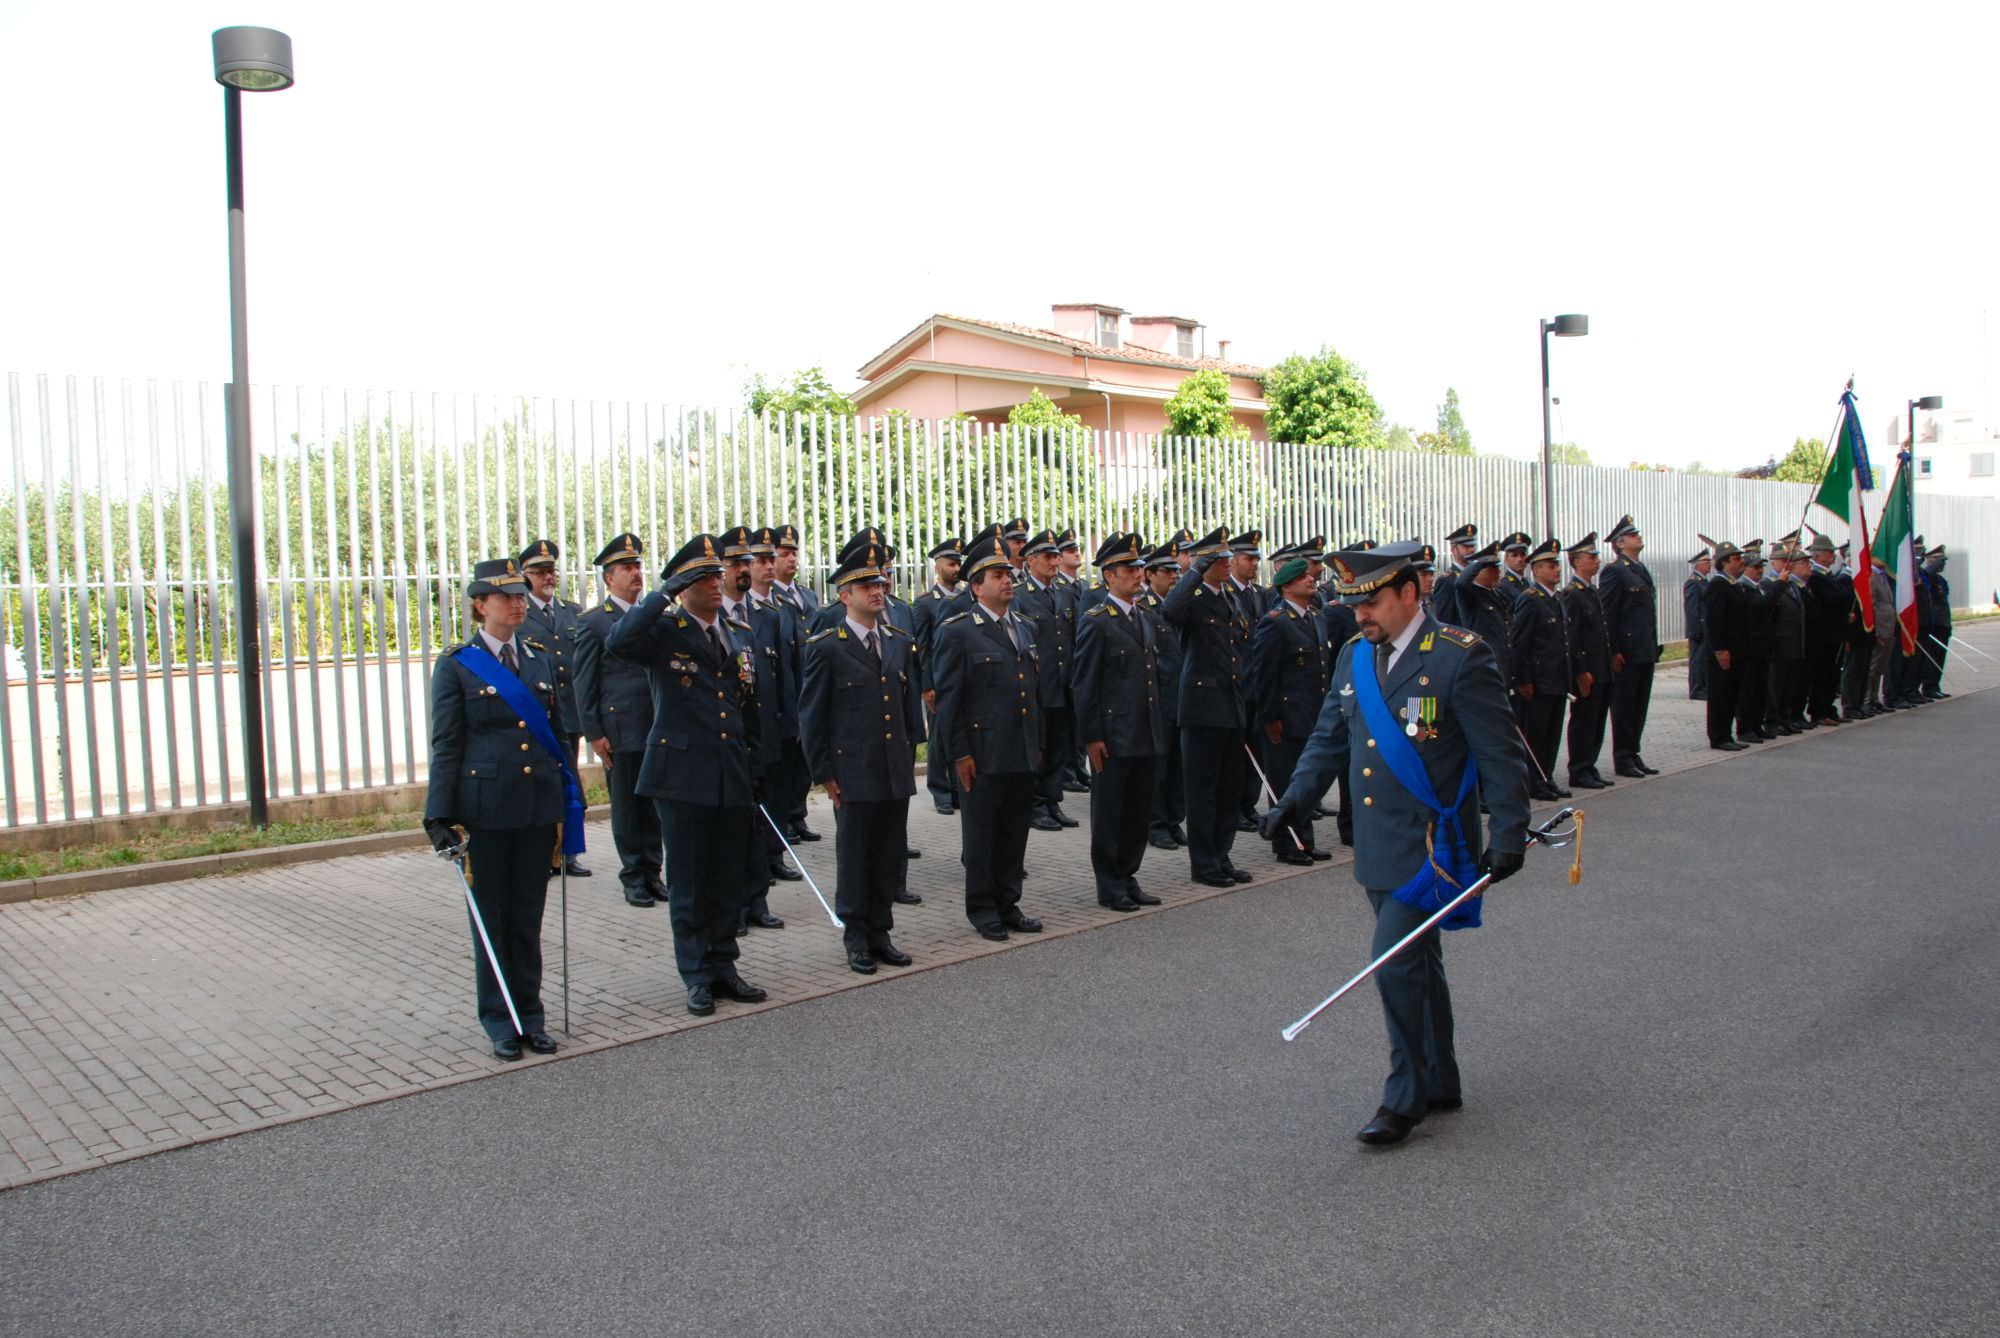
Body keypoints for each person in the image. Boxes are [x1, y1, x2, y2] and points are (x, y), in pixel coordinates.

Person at [1260, 540, 1530, 1147]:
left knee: (1393, 962)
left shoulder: (1461, 656)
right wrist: (1293, 801)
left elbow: (1500, 752)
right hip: (1379, 845)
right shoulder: (1356, 656)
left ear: (1411, 593)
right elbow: (1329, 737)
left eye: (1373, 602)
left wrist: (1510, 830)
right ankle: (1441, 1078)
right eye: (1354, 604)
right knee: (1417, 959)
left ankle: (1403, 1096)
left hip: (1435, 844)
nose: (1361, 615)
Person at [607, 533, 770, 1018]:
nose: (717, 583)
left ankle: (724, 966)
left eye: (717, 574)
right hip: (682, 776)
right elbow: (620, 641)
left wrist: (756, 765)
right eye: (704, 577)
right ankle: (697, 974)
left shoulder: (736, 632)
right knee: (689, 881)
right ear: (684, 585)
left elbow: (749, 707)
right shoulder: (665, 631)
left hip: (730, 773)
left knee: (725, 878)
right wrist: (662, 594)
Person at [424, 557, 568, 1061]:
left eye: (520, 594)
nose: (516, 602)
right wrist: (438, 815)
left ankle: (530, 1014)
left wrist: (565, 796)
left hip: (533, 808)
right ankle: (499, 1019)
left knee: (527, 918)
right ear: (480, 605)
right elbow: (447, 743)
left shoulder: (537, 658)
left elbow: (555, 737)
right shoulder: (458, 664)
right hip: (485, 809)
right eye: (505, 596)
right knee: (492, 919)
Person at [798, 543, 925, 975]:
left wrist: (911, 754)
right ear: (843, 595)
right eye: (865, 584)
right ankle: (855, 936)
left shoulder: (897, 641)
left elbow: (908, 708)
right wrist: (823, 773)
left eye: (879, 582)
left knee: (888, 853)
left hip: (892, 766)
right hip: (852, 769)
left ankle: (881, 931)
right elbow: (813, 715)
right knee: (855, 855)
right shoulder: (826, 647)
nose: (877, 588)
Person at [930, 532, 1045, 942]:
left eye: (1010, 574)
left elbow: (1032, 693)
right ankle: (982, 909)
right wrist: (959, 754)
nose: (1008, 581)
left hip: (1020, 750)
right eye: (998, 575)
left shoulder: (1025, 627)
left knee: (1014, 833)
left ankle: (1008, 903)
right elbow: (950, 701)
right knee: (982, 837)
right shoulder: (958, 631)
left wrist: (1038, 744)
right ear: (976, 586)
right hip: (983, 753)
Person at [1071, 533, 1169, 911]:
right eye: (1129, 569)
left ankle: (1129, 874)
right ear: (1109, 576)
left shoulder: (1143, 617)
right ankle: (1109, 884)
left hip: (1144, 731)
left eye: (1140, 568)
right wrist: (1091, 736)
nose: (1138, 575)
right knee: (1111, 812)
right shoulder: (1097, 621)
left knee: (1137, 811)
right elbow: (1085, 682)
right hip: (1113, 735)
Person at [572, 533, 666, 909]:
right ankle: (634, 876)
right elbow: (584, 682)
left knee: (654, 803)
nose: (636, 574)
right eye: (627, 568)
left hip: (657, 725)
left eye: (638, 566)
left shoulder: (655, 617)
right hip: (621, 728)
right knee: (628, 806)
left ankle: (654, 872)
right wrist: (594, 732)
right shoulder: (595, 622)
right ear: (609, 578)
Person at [1163, 527, 1254, 888]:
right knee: (1201, 792)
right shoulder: (1194, 596)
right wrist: (1194, 572)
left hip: (1231, 705)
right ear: (1206, 563)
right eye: (1221, 558)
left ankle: (1221, 855)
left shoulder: (1229, 596)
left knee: (1228, 789)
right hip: (1201, 709)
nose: (1228, 562)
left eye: (1229, 557)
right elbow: (1170, 610)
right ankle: (1204, 864)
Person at [721, 526, 795, 930]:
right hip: (728, 741)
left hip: (765, 732)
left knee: (766, 816)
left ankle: (758, 898)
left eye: (746, 562)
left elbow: (782, 673)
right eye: (735, 563)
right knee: (735, 827)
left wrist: (790, 723)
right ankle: (733, 907)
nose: (743, 569)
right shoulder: (713, 619)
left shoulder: (768, 614)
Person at [1252, 553, 1335, 864]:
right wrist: (1270, 718)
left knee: (1305, 781)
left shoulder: (1315, 617)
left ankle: (1305, 840)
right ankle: (1287, 844)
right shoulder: (1274, 623)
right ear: (1287, 586)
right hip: (1286, 718)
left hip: (1312, 713)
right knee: (1285, 780)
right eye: (1303, 578)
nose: (1311, 579)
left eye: (1310, 577)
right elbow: (1264, 676)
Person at [519, 539, 592, 878]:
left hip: (570, 711)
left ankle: (568, 851)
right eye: (540, 572)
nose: (548, 578)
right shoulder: (519, 613)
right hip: (537, 712)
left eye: (551, 572)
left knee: (568, 778)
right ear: (526, 576)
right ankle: (543, 849)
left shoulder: (572, 611)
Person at [1015, 529, 1080, 832]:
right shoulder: (1019, 595)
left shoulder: (1064, 592)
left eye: (1056, 556)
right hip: (1037, 686)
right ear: (1030, 560)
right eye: (1048, 556)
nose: (1055, 562)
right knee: (1038, 748)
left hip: (1063, 684)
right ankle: (1034, 805)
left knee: (1059, 747)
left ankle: (1052, 800)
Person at [1509, 538, 1576, 801]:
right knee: (1535, 735)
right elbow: (1520, 644)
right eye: (1550, 566)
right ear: (1536, 571)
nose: (1557, 570)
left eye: (1557, 565)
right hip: (1538, 681)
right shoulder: (1530, 600)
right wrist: (1523, 680)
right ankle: (1533, 782)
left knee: (1552, 733)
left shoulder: (1556, 598)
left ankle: (1547, 777)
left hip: (1557, 678)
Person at [1597, 515, 1660, 778]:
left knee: (1639, 706)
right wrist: (1614, 650)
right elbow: (1608, 614)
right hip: (1627, 652)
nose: (1639, 537)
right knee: (1624, 707)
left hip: (1644, 650)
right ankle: (1623, 758)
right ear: (1620, 543)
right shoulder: (1614, 571)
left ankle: (1633, 752)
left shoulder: (1639, 569)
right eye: (1633, 535)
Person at [1137, 543, 1188, 851]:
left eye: (1176, 571)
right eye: (1167, 571)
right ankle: (1156, 824)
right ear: (1150, 574)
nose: (1173, 577)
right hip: (1156, 697)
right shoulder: (1144, 609)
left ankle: (1173, 819)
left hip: (1180, 695)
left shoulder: (1180, 607)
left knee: (1177, 766)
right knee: (1159, 766)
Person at [913, 536, 967, 815]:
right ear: (938, 566)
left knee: (959, 733)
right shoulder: (925, 603)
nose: (956, 568)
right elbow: (923, 647)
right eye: (951, 563)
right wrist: (926, 685)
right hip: (937, 679)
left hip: (959, 678)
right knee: (938, 737)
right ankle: (940, 790)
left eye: (959, 563)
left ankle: (958, 789)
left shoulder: (965, 598)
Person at [1561, 533, 1613, 791]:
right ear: (1576, 561)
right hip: (1587, 670)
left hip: (1601, 668)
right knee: (1584, 720)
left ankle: (1589, 765)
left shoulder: (1592, 591)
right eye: (1591, 557)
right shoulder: (1572, 594)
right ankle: (1579, 769)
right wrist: (1581, 671)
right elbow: (1573, 636)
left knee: (1597, 720)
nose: (1596, 561)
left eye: (1596, 557)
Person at [1702, 540, 1752, 749]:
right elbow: (1714, 621)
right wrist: (1720, 649)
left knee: (1732, 693)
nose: (1740, 562)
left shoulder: (1734, 584)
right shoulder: (1718, 585)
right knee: (1720, 694)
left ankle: (1727, 734)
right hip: (1724, 651)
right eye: (1736, 558)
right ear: (1724, 562)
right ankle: (1718, 736)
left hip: (1738, 649)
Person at [1803, 533, 1847, 726]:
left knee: (1832, 675)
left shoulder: (1828, 576)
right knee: (1822, 674)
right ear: (1819, 555)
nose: (1833, 556)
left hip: (1834, 633)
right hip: (1824, 634)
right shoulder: (1816, 577)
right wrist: (1855, 588)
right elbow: (1833, 600)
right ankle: (1818, 711)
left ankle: (1829, 708)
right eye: (1830, 553)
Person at [1733, 544, 1775, 741]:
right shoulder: (1744, 587)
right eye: (1755, 567)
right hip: (1749, 647)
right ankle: (1745, 728)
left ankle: (1757, 724)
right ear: (1744, 568)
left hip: (1762, 646)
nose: (1759, 570)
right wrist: (1781, 585)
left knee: (1760, 689)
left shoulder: (1757, 588)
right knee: (1748, 691)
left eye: (1761, 567)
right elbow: (1760, 606)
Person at [1429, 523, 1478, 626]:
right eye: (1466, 546)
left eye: (1473, 546)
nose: (1472, 550)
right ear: (1453, 550)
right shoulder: (1447, 581)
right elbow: (1444, 621)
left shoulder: (1478, 576)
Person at [1683, 549, 1712, 700]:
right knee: (1697, 660)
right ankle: (1696, 688)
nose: (1710, 565)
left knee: (1704, 659)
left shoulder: (1704, 581)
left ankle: (1703, 686)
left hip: (1705, 627)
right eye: (1707, 562)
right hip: (1699, 628)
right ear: (1698, 565)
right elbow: (1692, 608)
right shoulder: (1693, 582)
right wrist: (1696, 629)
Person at [1497, 532, 1532, 603]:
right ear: (1506, 558)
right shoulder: (1503, 586)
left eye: (1523, 554)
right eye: (1514, 555)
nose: (1520, 559)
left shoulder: (1528, 583)